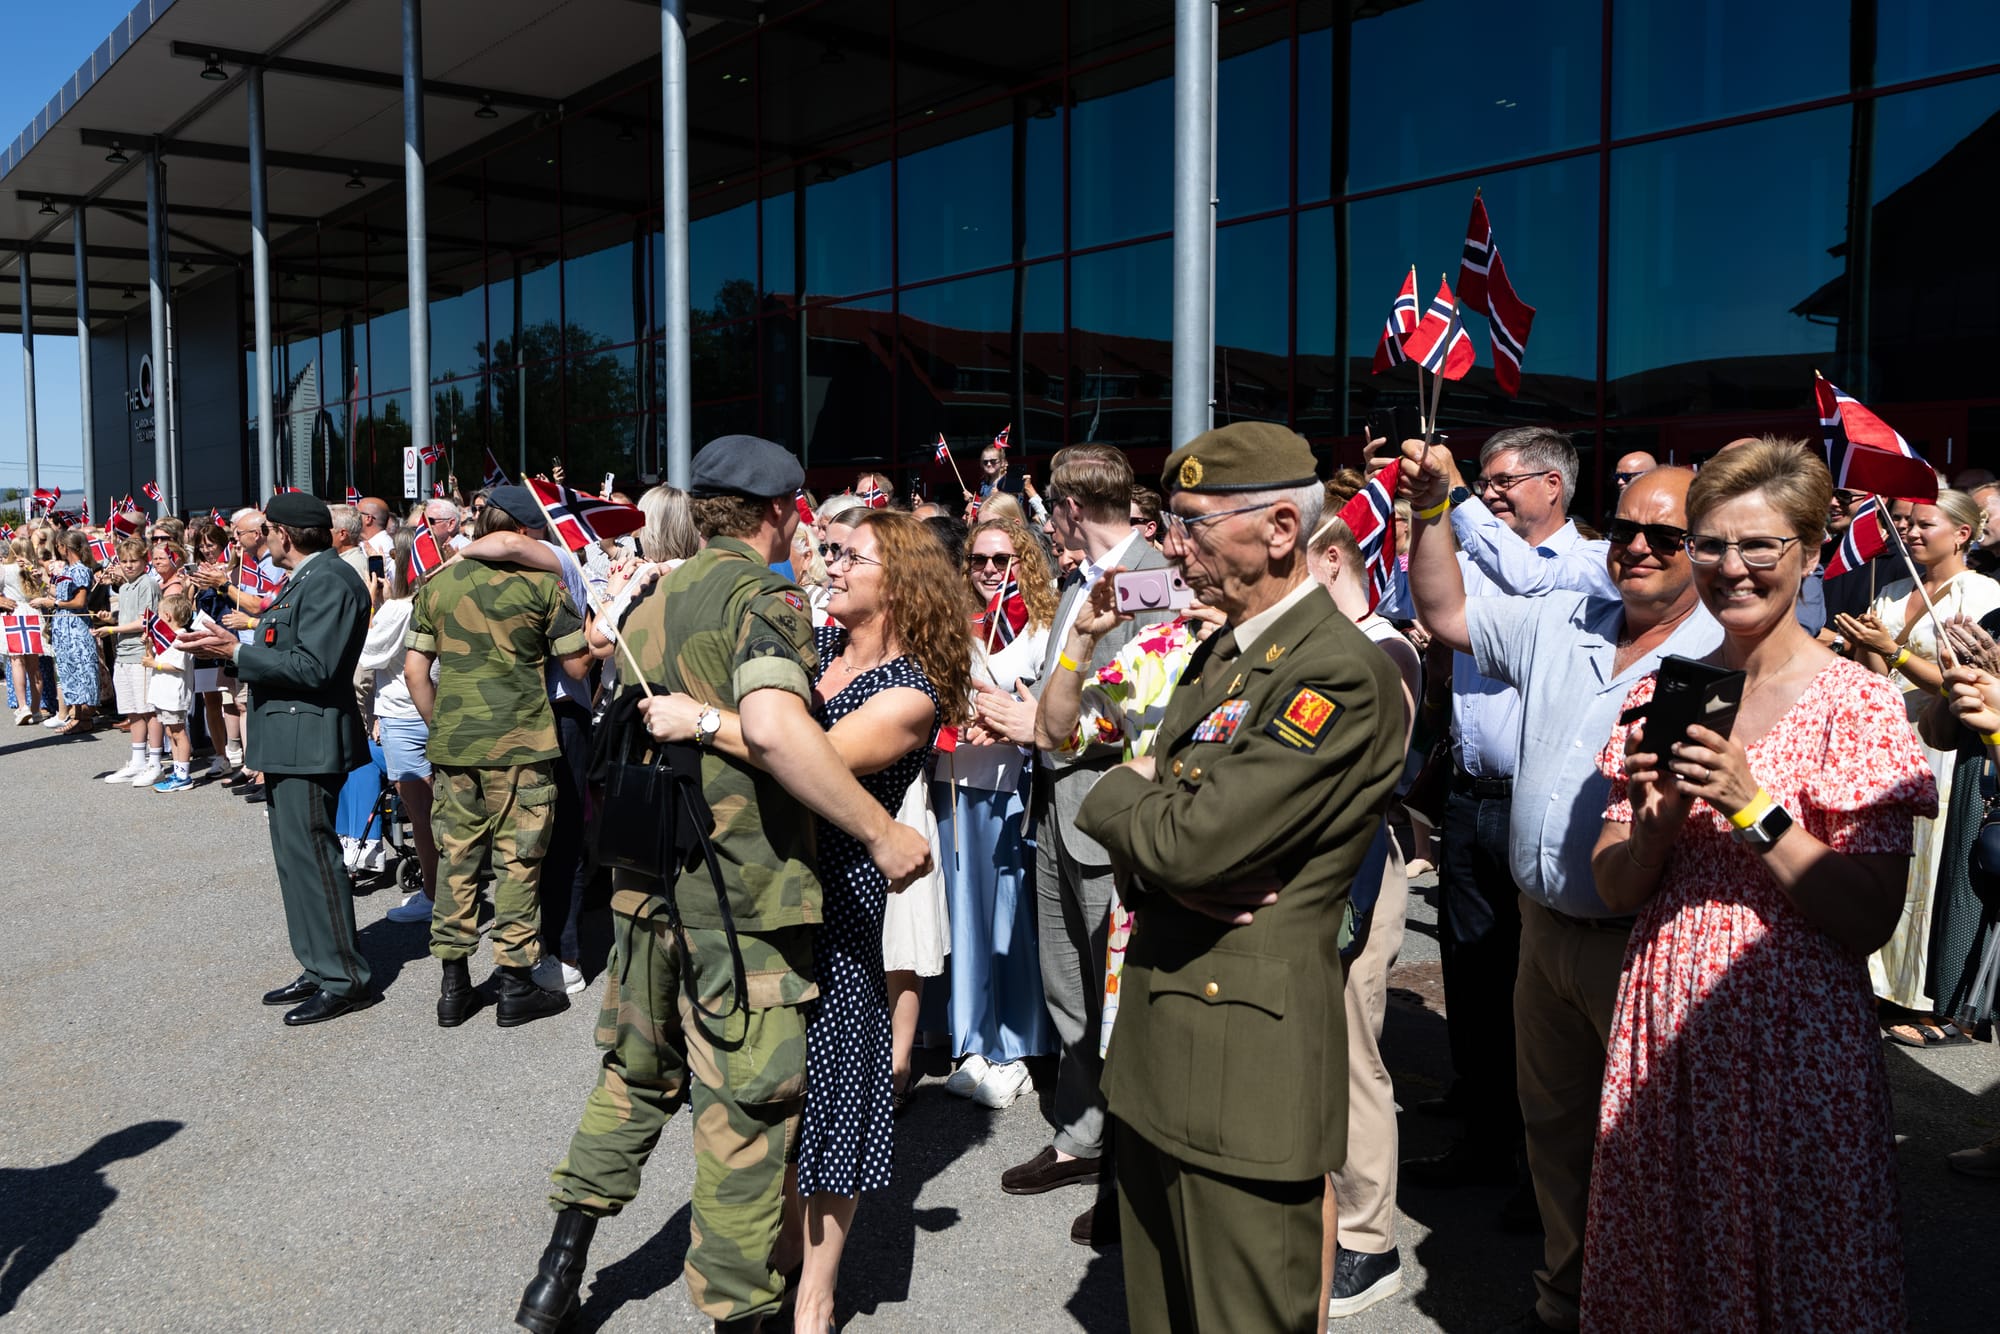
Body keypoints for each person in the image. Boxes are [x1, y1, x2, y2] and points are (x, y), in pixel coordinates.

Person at [519, 435, 930, 1334]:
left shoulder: (663, 594)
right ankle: (739, 1315)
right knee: (744, 1120)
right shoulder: (764, 596)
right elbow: (780, 733)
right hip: (739, 903)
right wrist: (880, 831)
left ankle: (558, 1270)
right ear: (779, 510)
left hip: (645, 886)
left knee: (631, 1080)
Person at [1582, 437, 1936, 1331]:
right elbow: (1617, 885)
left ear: (1810, 554)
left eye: (1759, 547)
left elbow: (1868, 918)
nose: (1730, 569)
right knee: (1672, 1250)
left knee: (1795, 1256)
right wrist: (1658, 821)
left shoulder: (1856, 702)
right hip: (1664, 1010)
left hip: (1794, 1029)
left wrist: (1754, 806)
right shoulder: (1667, 689)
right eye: (1710, 545)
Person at [1072, 421, 1404, 1333]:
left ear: (1282, 532)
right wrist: (1150, 818)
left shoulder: (1336, 672)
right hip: (1162, 1038)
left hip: (1243, 1067)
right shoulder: (1228, 652)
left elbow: (1190, 844)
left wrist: (1110, 789)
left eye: (1192, 523)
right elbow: (1174, 842)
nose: (1174, 545)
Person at [1403, 445, 1721, 1333]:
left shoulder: (1724, 654)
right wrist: (1431, 513)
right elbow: (1447, 609)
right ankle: (1568, 1298)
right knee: (1556, 1137)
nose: (1642, 548)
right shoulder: (1565, 616)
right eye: (1627, 529)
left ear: (1705, 547)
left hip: (1648, 943)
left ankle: (1648, 1307)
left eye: (1669, 535)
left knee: (1650, 1150)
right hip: (1542, 930)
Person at [640, 510, 965, 1333]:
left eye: (852, 555)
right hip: (772, 892)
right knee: (775, 1084)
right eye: (830, 549)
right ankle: (784, 1244)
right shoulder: (814, 648)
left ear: (901, 580)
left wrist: (703, 720)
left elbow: (803, 752)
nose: (831, 563)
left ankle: (817, 1293)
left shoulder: (911, 691)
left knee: (837, 1096)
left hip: (841, 900)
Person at [1406, 428, 1607, 1201]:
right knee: (1472, 974)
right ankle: (1484, 1133)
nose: (1489, 493)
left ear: (1553, 485)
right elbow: (1423, 606)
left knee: (1535, 985)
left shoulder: (1584, 562)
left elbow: (1522, 580)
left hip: (1537, 801)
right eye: (1482, 481)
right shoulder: (1475, 549)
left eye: (1502, 481)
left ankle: (1542, 1162)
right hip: (1468, 795)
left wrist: (1453, 497)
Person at [1002, 443, 1174, 1245]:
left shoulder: (1149, 579)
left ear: (1070, 509)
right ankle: (1082, 1134)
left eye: (1054, 514)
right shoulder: (1080, 580)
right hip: (1055, 802)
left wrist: (1040, 725)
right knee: (1065, 980)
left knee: (1116, 1003)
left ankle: (1125, 1169)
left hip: (1103, 807)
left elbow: (1151, 709)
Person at [176, 492, 376, 1026]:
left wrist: (236, 654)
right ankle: (317, 963)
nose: (261, 539)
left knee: (313, 860)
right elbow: (289, 647)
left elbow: (315, 667)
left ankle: (345, 978)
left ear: (284, 534)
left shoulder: (330, 579)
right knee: (295, 862)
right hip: (291, 742)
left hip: (309, 745)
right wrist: (233, 640)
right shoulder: (309, 577)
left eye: (265, 529)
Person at [403, 484, 590, 1030]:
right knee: (518, 862)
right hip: (522, 745)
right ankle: (514, 984)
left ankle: (454, 987)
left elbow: (417, 670)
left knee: (457, 860)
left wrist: (443, 728)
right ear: (526, 531)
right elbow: (577, 668)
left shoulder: (438, 585)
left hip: (456, 745)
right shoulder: (541, 584)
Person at [1304, 512, 1424, 1319]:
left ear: (1334, 557)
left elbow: (1367, 772)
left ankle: (1370, 1240)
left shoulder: (1385, 647)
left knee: (1352, 1057)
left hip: (1356, 869)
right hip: (1311, 871)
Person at [1834, 490, 2000, 1032]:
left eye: (1925, 524)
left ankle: (1923, 996)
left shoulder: (1981, 593)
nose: (1910, 533)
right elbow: (1873, 673)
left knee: (1931, 867)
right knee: (1888, 855)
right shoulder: (1895, 586)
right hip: (1889, 735)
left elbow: (1969, 684)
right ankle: (1878, 985)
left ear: (1962, 534)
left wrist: (1899, 650)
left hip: (1943, 741)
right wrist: (1866, 644)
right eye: (1908, 525)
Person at [940, 517, 1059, 1110]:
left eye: (1001, 558)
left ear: (1024, 562)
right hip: (955, 787)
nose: (990, 570)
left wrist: (1006, 720)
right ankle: (972, 1040)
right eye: (980, 560)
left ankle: (1015, 1048)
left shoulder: (1040, 629)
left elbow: (1047, 711)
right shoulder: (953, 625)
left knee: (1009, 918)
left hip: (1013, 789)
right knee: (964, 918)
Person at [363, 529, 441, 926]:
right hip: (442, 708)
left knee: (422, 815)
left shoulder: (400, 608)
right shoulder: (440, 597)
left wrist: (372, 604)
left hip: (406, 715)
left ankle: (434, 896)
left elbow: (367, 654)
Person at [98, 538, 163, 786]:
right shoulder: (125, 587)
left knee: (148, 710)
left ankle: (155, 762)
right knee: (132, 709)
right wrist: (112, 619)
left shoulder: (148, 583)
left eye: (133, 561)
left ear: (145, 560)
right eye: (124, 561)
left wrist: (113, 630)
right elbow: (127, 619)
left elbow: (144, 621)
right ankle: (138, 760)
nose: (128, 566)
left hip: (140, 653)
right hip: (123, 654)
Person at [40, 531, 101, 734]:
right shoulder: (66, 569)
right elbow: (59, 594)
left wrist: (54, 602)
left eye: (59, 546)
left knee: (82, 670)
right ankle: (75, 715)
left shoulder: (81, 570)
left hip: (76, 627)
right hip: (63, 627)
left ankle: (85, 717)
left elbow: (80, 601)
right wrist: (42, 584)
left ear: (65, 547)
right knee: (68, 671)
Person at [141, 593, 197, 793]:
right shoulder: (164, 639)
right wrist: (148, 646)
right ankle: (177, 770)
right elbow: (154, 657)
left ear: (167, 616)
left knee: (178, 732)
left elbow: (177, 665)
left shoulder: (181, 638)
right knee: (169, 731)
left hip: (174, 694)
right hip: (163, 693)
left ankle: (183, 775)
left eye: (159, 615)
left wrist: (154, 663)